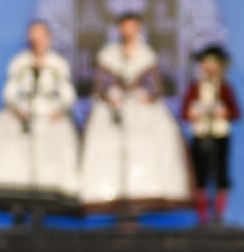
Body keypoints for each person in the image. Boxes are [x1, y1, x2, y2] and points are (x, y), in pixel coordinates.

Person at [0, 19, 80, 208]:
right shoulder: (21, 63)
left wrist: (59, 110)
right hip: (24, 113)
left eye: (40, 34)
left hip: (49, 115)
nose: (36, 39)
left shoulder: (58, 64)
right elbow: (10, 92)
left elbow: (67, 94)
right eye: (33, 34)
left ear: (49, 38)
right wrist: (18, 110)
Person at [79, 12, 192, 215]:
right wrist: (109, 97)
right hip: (115, 106)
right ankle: (112, 197)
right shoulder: (109, 54)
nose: (129, 31)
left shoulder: (147, 55)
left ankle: (144, 195)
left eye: (133, 26)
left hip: (140, 107)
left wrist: (148, 96)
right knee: (107, 142)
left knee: (151, 140)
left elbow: (157, 88)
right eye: (125, 26)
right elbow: (99, 86)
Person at [182, 44, 241, 226]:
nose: (209, 68)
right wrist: (193, 114)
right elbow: (184, 112)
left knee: (221, 174)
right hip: (200, 135)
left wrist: (224, 113)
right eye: (206, 64)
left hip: (220, 135)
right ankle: (203, 217)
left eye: (213, 64)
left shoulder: (224, 89)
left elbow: (236, 112)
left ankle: (219, 216)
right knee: (200, 176)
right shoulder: (195, 88)